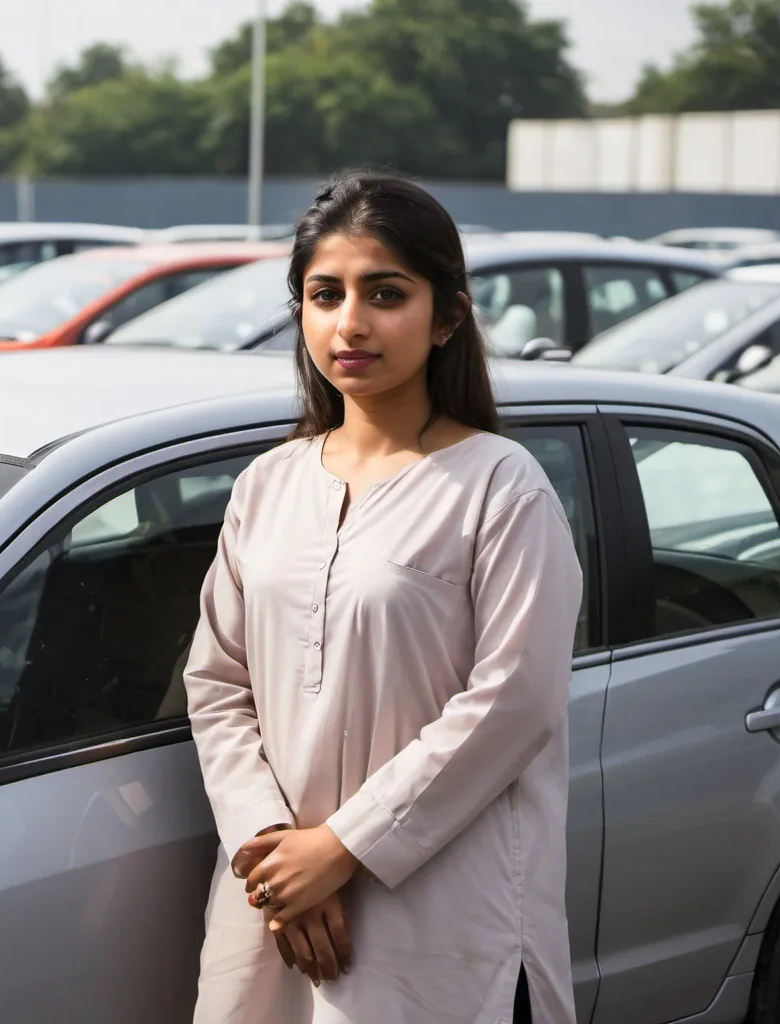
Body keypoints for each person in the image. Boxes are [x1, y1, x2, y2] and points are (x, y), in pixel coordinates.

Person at [183, 171, 583, 1024]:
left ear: (446, 317)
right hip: (279, 906)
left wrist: (343, 847)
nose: (350, 322)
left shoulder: (499, 487)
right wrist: (274, 856)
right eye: (325, 294)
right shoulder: (269, 484)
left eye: (385, 293)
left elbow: (516, 699)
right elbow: (218, 685)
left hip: (442, 916)